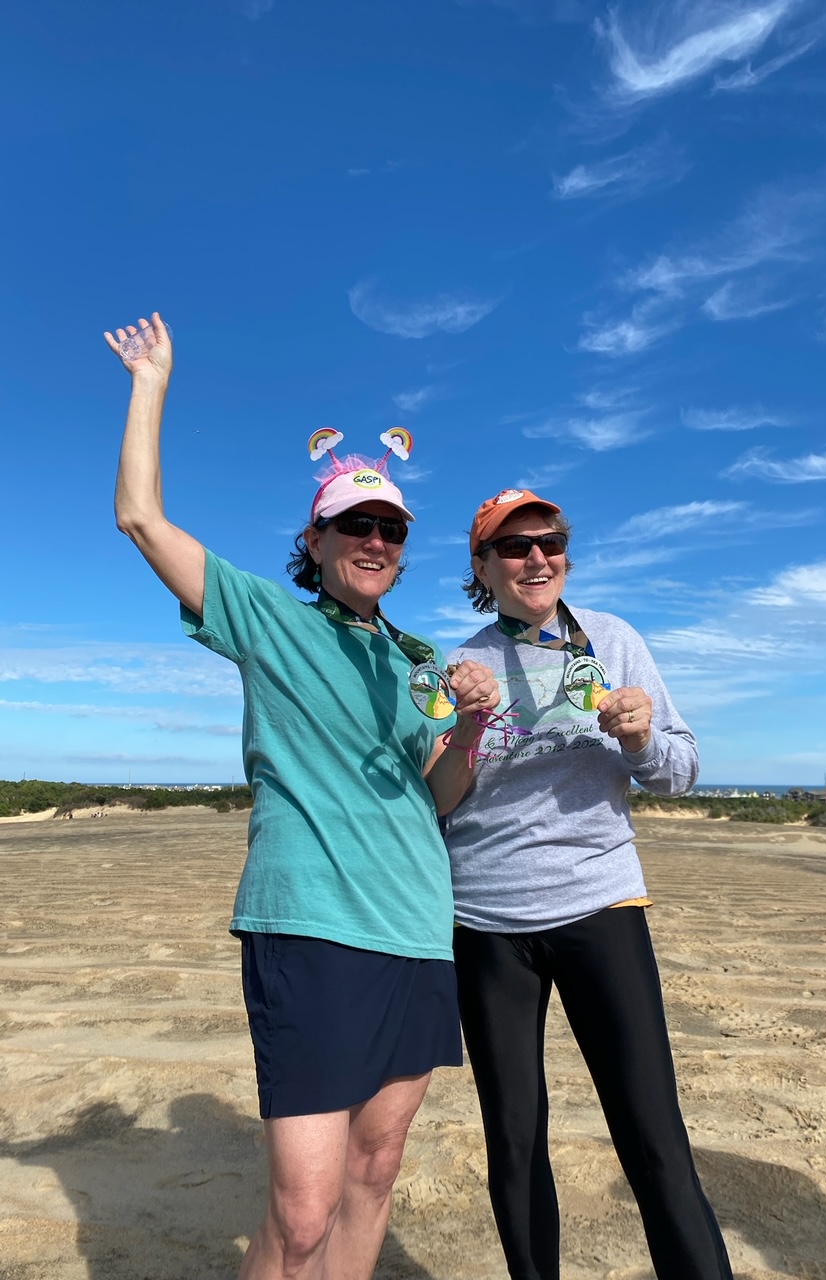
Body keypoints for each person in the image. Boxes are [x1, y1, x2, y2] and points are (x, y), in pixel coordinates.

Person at [105, 314, 499, 1280]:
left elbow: (439, 797)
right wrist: (150, 383)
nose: (375, 540)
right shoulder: (269, 620)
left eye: (391, 529)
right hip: (312, 927)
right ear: (316, 539)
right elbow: (142, 520)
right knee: (304, 1211)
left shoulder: (414, 659)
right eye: (355, 524)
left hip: (417, 928)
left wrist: (470, 728)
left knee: (377, 1168)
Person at [444, 487, 734, 1280]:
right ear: (482, 567)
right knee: (513, 1140)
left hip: (600, 904)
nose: (537, 558)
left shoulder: (613, 640)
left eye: (551, 541)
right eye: (514, 546)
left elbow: (680, 771)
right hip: (486, 920)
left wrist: (641, 740)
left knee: (653, 1136)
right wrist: (466, 722)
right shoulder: (458, 665)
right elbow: (438, 800)